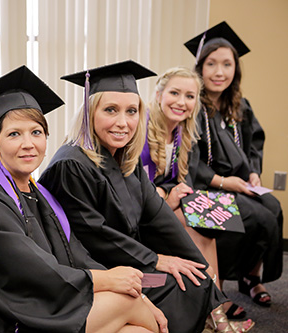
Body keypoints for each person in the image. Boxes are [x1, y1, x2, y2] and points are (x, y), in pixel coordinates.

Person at [0, 65, 165, 333]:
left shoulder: (38, 193)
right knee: (130, 307)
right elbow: (32, 270)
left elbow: (74, 253)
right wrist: (110, 281)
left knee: (137, 330)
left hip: (50, 301)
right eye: (14, 134)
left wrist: (134, 290)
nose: (28, 143)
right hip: (16, 315)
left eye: (36, 132)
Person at [39, 60, 233, 333]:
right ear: (89, 113)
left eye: (131, 111)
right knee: (177, 286)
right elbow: (94, 235)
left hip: (127, 258)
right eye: (110, 110)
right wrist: (155, 259)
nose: (123, 122)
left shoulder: (123, 157)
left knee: (194, 278)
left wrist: (198, 264)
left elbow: (158, 216)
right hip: (96, 270)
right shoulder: (71, 164)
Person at [141, 66, 254, 331]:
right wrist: (167, 196)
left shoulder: (183, 132)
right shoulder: (142, 128)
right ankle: (215, 313)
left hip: (166, 203)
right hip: (143, 210)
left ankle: (213, 307)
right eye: (175, 93)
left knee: (208, 230)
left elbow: (181, 178)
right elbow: (136, 185)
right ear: (159, 94)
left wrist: (181, 193)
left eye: (190, 96)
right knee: (196, 231)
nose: (182, 102)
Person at [185, 21, 283, 308]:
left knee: (274, 209)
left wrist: (253, 171)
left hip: (240, 183)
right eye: (211, 64)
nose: (219, 72)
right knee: (258, 219)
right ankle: (218, 289)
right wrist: (222, 182)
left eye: (227, 64)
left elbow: (255, 144)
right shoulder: (192, 106)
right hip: (209, 187)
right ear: (200, 68)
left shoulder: (240, 105)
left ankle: (250, 278)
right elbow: (189, 157)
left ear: (235, 70)